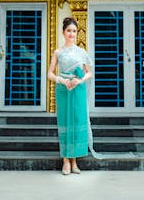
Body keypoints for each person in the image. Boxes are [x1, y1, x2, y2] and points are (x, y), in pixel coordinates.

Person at [48, 17, 93, 175]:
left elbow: (90, 73)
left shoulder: (82, 52)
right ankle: (66, 160)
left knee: (76, 121)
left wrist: (79, 80)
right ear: (63, 32)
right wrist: (63, 80)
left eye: (74, 31)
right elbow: (50, 74)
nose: (71, 34)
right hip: (63, 89)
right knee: (65, 122)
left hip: (78, 90)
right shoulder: (58, 52)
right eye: (69, 31)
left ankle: (74, 161)